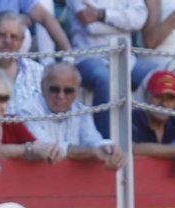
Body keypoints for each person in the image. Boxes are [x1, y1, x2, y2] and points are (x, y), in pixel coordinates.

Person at [67, 0, 156, 138]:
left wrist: (102, 14)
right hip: (88, 57)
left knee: (158, 75)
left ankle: (145, 138)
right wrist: (125, 23)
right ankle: (107, 146)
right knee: (106, 79)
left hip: (125, 57)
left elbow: (139, 21)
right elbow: (92, 26)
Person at [21, 61, 125, 170]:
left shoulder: (81, 111)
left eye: (68, 91)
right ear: (43, 87)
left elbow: (92, 139)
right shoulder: (27, 110)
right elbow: (47, 148)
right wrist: (92, 152)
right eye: (55, 89)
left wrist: (108, 148)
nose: (61, 96)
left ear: (77, 91)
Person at [0, 70, 61, 163]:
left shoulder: (12, 121)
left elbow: (37, 145)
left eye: (2, 98)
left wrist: (53, 150)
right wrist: (31, 150)